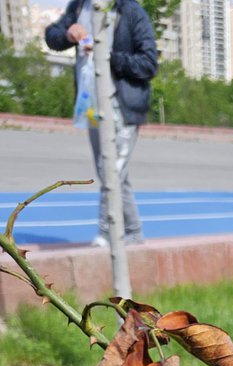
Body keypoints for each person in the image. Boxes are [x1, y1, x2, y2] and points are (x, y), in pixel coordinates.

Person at [45, 0, 158, 247]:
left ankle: (105, 234)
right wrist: (68, 34)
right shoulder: (79, 7)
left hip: (123, 106)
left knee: (112, 171)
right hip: (91, 105)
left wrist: (108, 57)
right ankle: (135, 232)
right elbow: (51, 36)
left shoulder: (131, 11)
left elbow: (149, 63)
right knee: (110, 172)